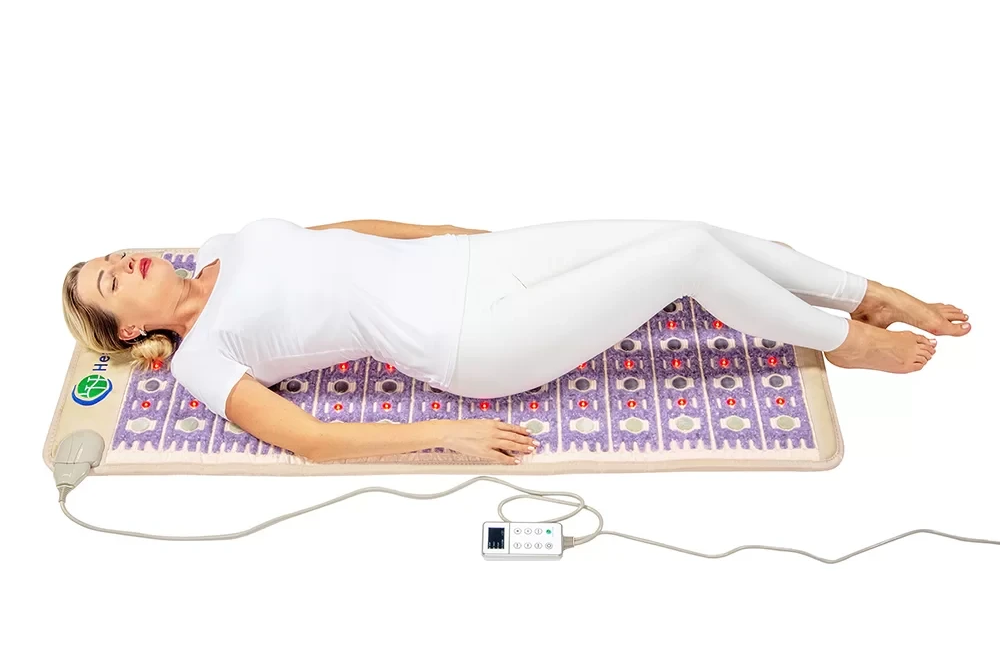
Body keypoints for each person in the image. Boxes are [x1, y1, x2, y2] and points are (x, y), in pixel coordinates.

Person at [61, 217, 971, 465]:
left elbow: (344, 231)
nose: (124, 261)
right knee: (684, 259)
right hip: (474, 339)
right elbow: (305, 437)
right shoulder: (203, 359)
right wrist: (441, 434)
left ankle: (869, 293)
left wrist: (466, 235)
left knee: (687, 227)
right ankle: (847, 343)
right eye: (111, 280)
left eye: (111, 256)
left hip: (475, 263)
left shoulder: (224, 245)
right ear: (132, 327)